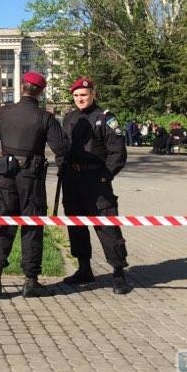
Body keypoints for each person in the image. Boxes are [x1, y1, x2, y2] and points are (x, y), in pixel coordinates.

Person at [0, 72, 68, 298]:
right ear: (40, 92)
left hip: (7, 176)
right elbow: (61, 148)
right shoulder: (44, 117)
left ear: (22, 87)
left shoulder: (4, 112)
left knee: (3, 225)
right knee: (32, 227)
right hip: (32, 178)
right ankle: (31, 281)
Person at [61, 77, 130, 295]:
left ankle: (118, 272)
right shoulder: (69, 118)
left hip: (97, 181)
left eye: (84, 95)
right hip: (73, 181)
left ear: (93, 94)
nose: (80, 99)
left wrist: (104, 177)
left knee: (106, 226)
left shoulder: (105, 118)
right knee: (76, 225)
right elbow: (62, 148)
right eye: (76, 96)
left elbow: (117, 152)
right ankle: (84, 268)